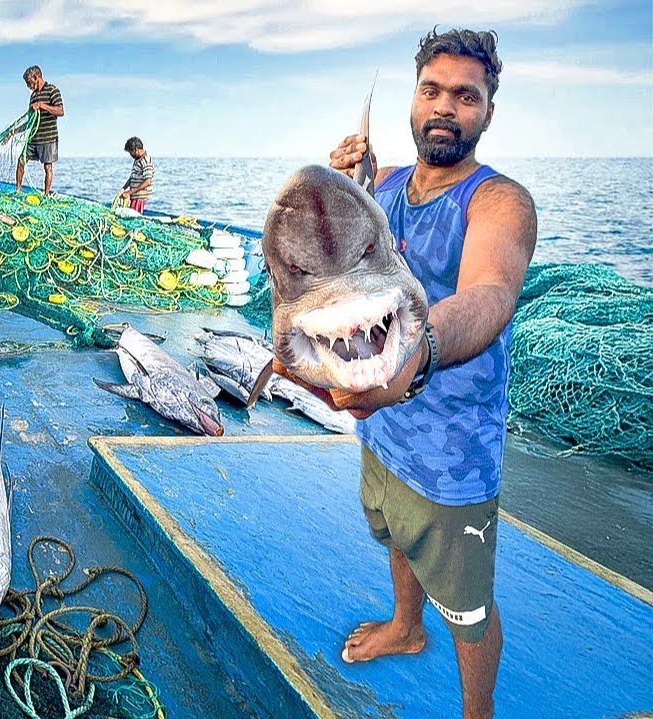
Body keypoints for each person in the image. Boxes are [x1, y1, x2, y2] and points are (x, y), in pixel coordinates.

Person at [282, 28, 537, 719]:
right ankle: (404, 624)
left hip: (454, 455)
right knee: (394, 534)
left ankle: (476, 712)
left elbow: (488, 296)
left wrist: (413, 357)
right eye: (432, 90)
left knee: (468, 604)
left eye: (465, 95)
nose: (445, 107)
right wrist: (344, 185)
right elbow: (345, 261)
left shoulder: (499, 202)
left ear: (488, 109)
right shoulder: (388, 185)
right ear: (414, 97)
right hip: (383, 423)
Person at [15, 66, 64, 195]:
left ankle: (46, 195)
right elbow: (30, 121)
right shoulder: (33, 96)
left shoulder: (53, 90)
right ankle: (18, 190)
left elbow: (60, 111)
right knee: (21, 161)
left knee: (48, 167)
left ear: (36, 78)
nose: (28, 86)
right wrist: (14, 131)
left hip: (49, 138)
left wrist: (42, 106)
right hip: (33, 138)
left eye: (28, 83)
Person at [118, 137, 154, 213]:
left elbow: (148, 181)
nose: (130, 155)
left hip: (139, 197)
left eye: (131, 152)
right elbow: (132, 177)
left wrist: (130, 192)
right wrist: (124, 188)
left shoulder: (146, 161)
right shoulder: (138, 160)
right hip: (134, 196)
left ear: (136, 149)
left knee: (133, 218)